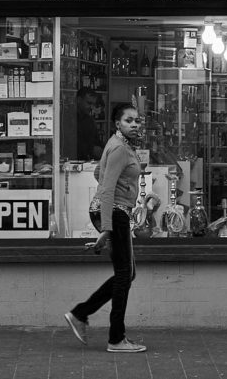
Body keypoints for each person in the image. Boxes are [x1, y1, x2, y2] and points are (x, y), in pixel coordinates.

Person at [63, 103, 146, 353]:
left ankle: (81, 313)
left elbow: (100, 172)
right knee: (124, 275)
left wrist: (120, 189)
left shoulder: (115, 143)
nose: (134, 124)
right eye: (128, 120)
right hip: (114, 212)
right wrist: (106, 228)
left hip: (111, 209)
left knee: (126, 274)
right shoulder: (121, 148)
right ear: (117, 124)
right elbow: (107, 187)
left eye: (137, 121)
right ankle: (116, 339)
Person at [75, 87, 104, 160]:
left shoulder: (90, 120)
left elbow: (96, 140)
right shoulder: (67, 118)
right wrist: (91, 149)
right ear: (79, 100)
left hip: (88, 162)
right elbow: (69, 143)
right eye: (89, 103)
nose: (91, 107)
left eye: (93, 104)